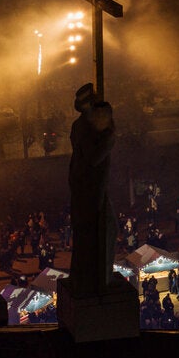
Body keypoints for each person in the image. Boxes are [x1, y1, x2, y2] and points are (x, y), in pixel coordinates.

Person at [68, 83, 117, 297]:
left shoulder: (81, 125)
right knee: (100, 230)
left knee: (99, 230)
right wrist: (110, 136)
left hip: (87, 185)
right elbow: (94, 157)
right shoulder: (86, 127)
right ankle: (96, 277)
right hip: (89, 187)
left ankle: (91, 275)